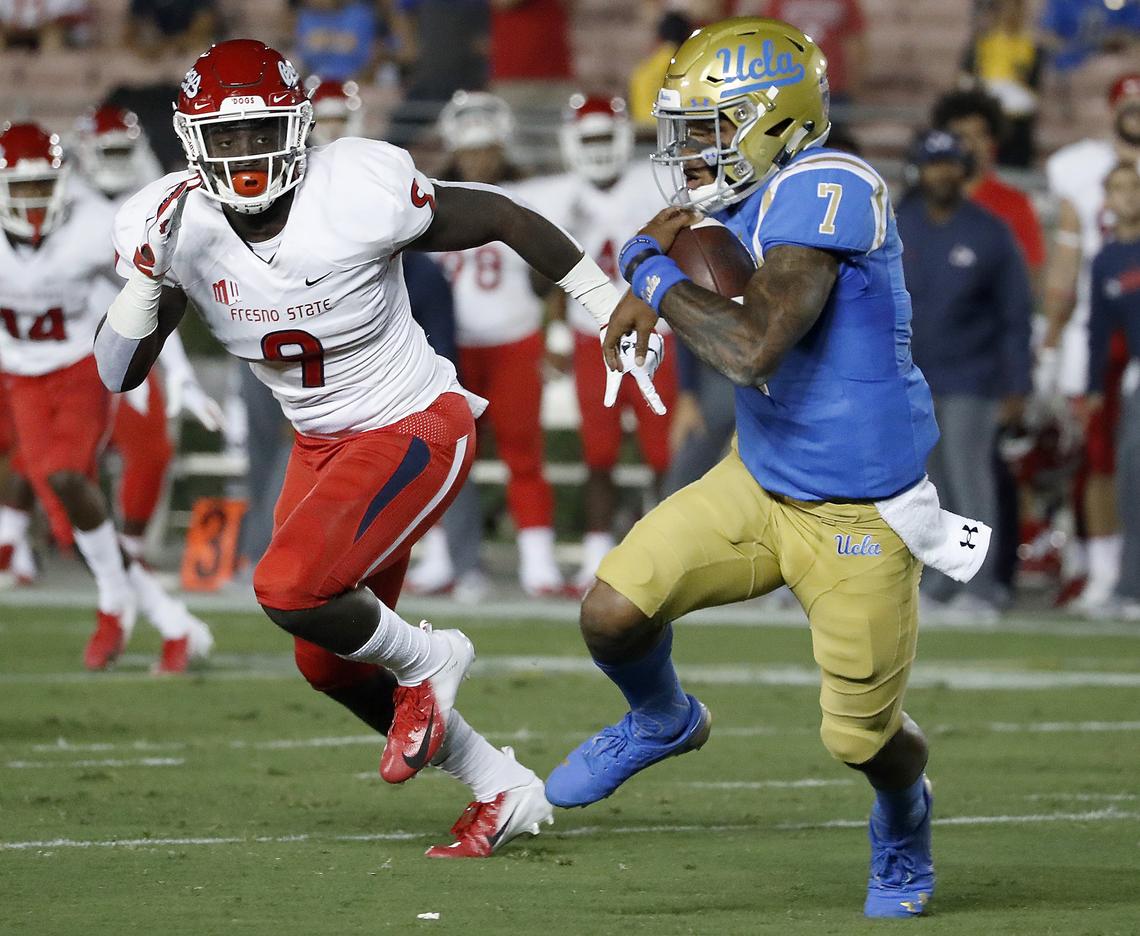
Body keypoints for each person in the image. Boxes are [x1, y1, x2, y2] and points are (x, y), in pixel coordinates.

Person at [95, 39, 665, 854]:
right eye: (226, 137)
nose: (246, 155)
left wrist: (604, 301)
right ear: (193, 143)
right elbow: (118, 372)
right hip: (321, 444)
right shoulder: (171, 224)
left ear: (298, 128)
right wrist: (148, 279)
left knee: (288, 585)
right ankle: (498, 784)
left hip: (412, 424)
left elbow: (501, 214)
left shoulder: (357, 188)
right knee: (327, 663)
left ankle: (433, 654)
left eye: (262, 133)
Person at [546, 17, 994, 918]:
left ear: (775, 121)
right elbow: (728, 298)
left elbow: (753, 347)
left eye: (711, 127)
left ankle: (904, 813)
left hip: (861, 516)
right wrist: (659, 280)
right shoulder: (745, 204)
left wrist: (651, 272)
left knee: (860, 741)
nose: (693, 151)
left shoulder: (832, 182)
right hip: (760, 481)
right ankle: (664, 718)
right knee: (610, 613)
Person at [0, 121, 213, 674]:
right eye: (20, 187)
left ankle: (114, 606)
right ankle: (171, 622)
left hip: (81, 368)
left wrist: (181, 374)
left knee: (70, 479)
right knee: (73, 526)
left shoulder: (94, 224)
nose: (33, 198)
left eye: (42, 184)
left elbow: (149, 295)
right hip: (19, 376)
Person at [406, 91, 566, 599]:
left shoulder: (529, 199)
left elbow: (554, 272)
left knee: (524, 452)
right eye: (471, 150)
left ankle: (538, 563)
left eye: (487, 149)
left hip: (513, 337)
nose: (479, 160)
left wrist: (557, 333)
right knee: (438, 452)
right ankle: (440, 557)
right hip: (444, 347)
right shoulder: (427, 198)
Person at [528, 94, 675, 591]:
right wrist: (555, 335)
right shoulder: (558, 196)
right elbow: (550, 276)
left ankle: (672, 552)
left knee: (663, 454)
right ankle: (596, 556)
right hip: (592, 336)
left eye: (603, 137)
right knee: (598, 453)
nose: (596, 148)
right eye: (587, 138)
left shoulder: (654, 183)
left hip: (658, 335)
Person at [897, 129, 1033, 619]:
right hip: (912, 378)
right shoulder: (900, 224)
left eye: (952, 163)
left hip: (972, 377)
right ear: (919, 167)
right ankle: (942, 579)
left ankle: (980, 586)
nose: (943, 172)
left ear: (965, 168)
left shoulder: (989, 232)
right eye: (934, 164)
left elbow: (1016, 315)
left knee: (969, 478)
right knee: (929, 487)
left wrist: (1018, 385)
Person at [1040, 72, 1140, 614]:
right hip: (1101, 327)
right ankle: (1105, 573)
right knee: (1099, 459)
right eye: (1129, 101)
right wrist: (1051, 342)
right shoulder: (1080, 170)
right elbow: (1066, 262)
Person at [1085, 162, 1140, 616]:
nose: (1127, 197)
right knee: (1129, 479)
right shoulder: (1107, 259)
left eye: (1133, 188)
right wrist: (1092, 385)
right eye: (1118, 189)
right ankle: (1129, 584)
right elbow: (1099, 331)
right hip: (1135, 377)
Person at [960, 0, 1043, 167]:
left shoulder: (1030, 46)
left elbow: (1032, 84)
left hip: (1016, 113)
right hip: (986, 106)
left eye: (1015, 9)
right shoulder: (981, 43)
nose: (1010, 14)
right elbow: (966, 77)